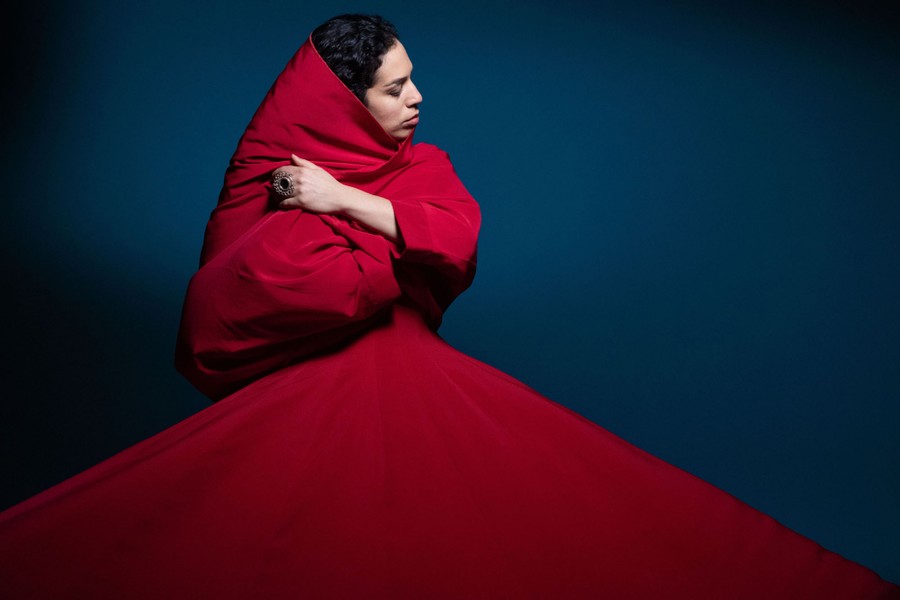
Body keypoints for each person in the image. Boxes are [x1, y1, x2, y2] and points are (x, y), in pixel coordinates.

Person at [1, 14, 897, 599]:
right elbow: (285, 296)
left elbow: (453, 240)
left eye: (412, 77)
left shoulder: (403, 167)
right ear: (341, 107)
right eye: (394, 88)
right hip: (310, 416)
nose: (418, 98)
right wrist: (387, 242)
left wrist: (347, 205)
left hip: (414, 392)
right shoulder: (264, 174)